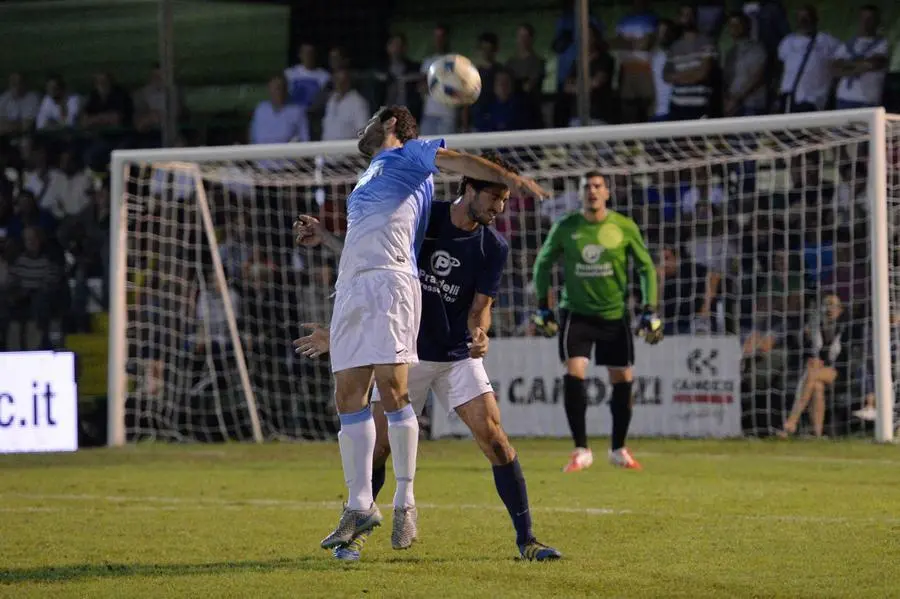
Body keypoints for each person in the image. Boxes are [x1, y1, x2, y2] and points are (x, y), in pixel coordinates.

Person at [297, 105, 547, 553]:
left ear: (389, 124)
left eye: (504, 201)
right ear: (468, 192)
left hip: (449, 352)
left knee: (493, 434)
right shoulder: (421, 210)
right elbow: (376, 247)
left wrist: (481, 331)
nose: (499, 207)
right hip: (394, 323)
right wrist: (329, 241)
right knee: (362, 425)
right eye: (495, 198)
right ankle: (356, 521)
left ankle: (524, 539)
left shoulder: (492, 243)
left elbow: (480, 307)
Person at [531, 171, 662, 472]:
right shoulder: (566, 226)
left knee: (622, 381)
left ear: (607, 193)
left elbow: (646, 269)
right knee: (575, 374)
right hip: (576, 314)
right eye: (587, 186)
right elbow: (542, 264)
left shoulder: (623, 226)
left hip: (615, 315)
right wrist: (543, 306)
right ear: (580, 193)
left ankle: (618, 449)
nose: (592, 191)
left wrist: (649, 308)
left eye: (597, 186)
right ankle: (581, 450)